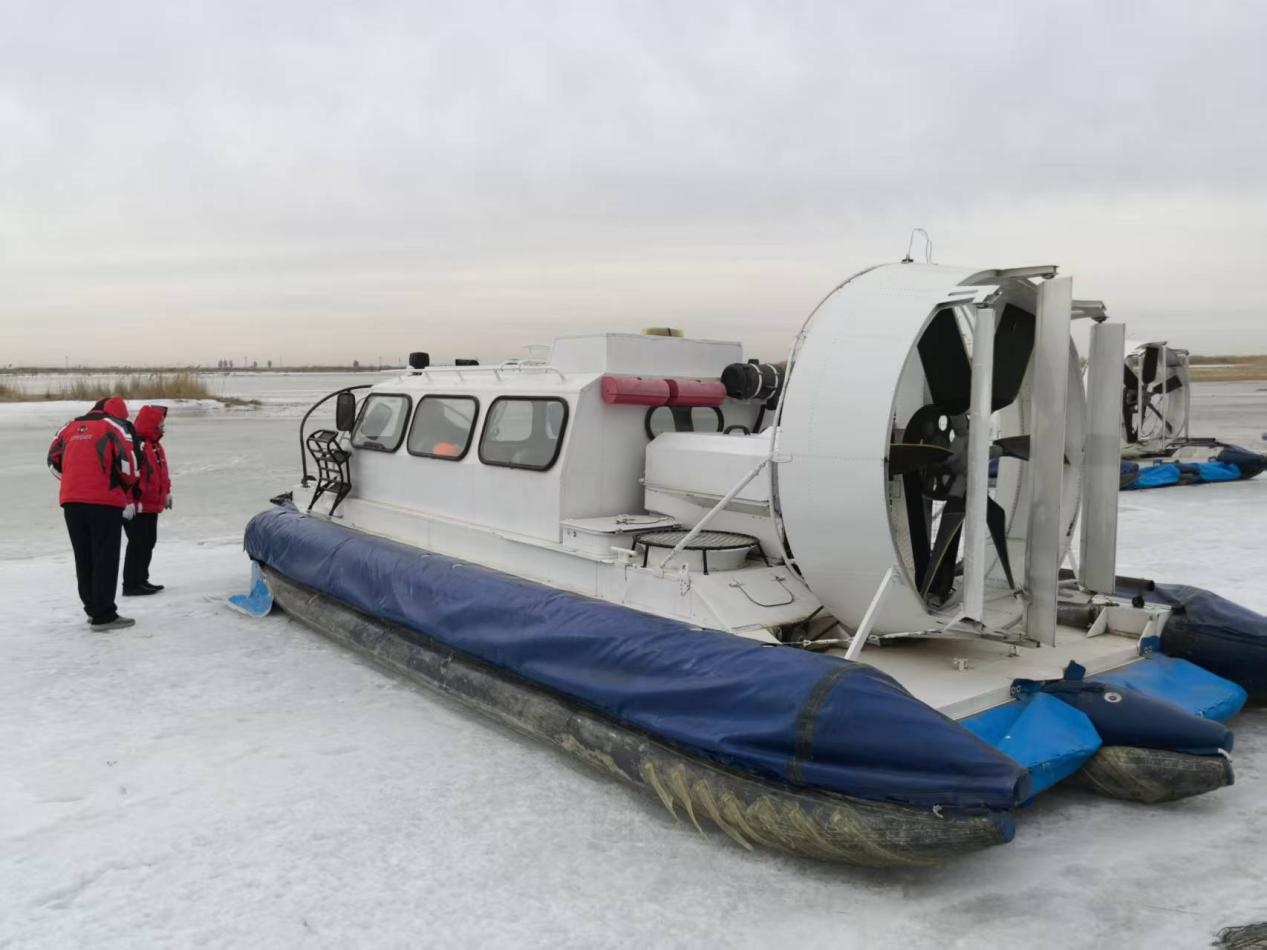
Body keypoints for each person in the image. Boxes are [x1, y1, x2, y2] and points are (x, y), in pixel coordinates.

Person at [47, 396, 139, 631]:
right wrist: (123, 487)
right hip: (104, 502)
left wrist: (71, 481)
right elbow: (129, 464)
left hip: (71, 501)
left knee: (84, 556)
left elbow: (52, 460)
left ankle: (92, 608)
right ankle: (104, 615)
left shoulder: (69, 426)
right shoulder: (114, 427)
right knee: (104, 557)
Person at [123, 404, 171, 596]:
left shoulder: (156, 446)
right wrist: (127, 501)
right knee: (137, 543)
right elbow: (126, 476)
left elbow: (162, 474)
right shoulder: (136, 446)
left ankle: (141, 579)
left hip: (152, 504)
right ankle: (131, 584)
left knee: (148, 542)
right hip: (137, 506)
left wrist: (166, 492)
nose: (162, 425)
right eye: (160, 421)